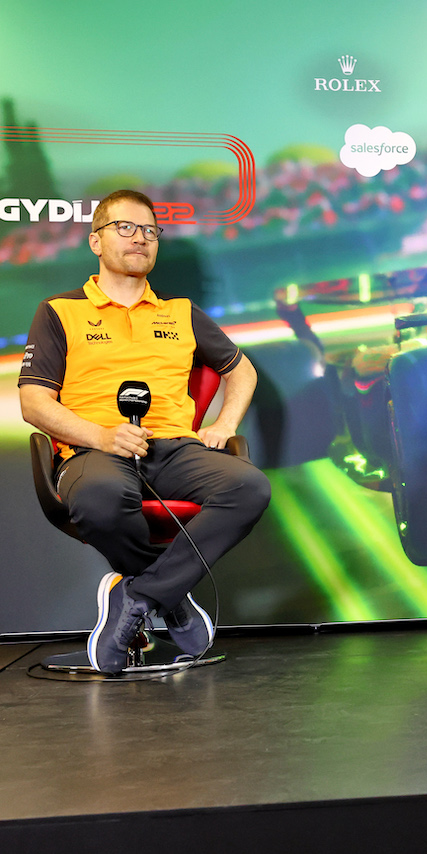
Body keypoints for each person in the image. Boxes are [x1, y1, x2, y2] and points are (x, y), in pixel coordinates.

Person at [18, 189, 271, 674]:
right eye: (126, 228)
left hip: (174, 447)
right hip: (95, 448)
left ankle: (137, 596)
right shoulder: (59, 311)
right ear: (96, 241)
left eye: (150, 231)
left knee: (249, 487)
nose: (141, 238)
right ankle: (169, 599)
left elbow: (243, 371)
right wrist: (102, 436)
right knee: (99, 499)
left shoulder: (180, 312)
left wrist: (224, 425)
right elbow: (33, 401)